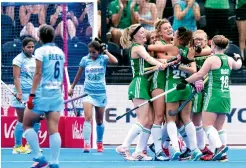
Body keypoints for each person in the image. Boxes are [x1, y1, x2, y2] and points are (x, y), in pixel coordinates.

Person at [177, 35, 242, 161]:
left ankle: (219, 147)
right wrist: (238, 57)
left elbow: (199, 74)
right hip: (225, 96)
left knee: (207, 126)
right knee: (219, 128)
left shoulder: (212, 59)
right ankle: (222, 155)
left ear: (212, 45)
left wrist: (184, 82)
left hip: (213, 95)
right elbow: (238, 65)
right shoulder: (229, 60)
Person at [146, 27, 202, 161]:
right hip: (186, 86)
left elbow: (150, 48)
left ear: (180, 38)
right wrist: (180, 65)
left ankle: (176, 148)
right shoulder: (190, 52)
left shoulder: (172, 48)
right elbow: (194, 71)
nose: (173, 37)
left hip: (173, 86)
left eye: (175, 35)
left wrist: (173, 62)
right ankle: (195, 149)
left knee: (171, 119)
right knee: (187, 119)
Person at [116, 24, 167, 161]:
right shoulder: (138, 48)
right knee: (143, 119)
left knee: (149, 121)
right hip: (139, 84)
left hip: (144, 84)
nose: (145, 35)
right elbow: (150, 60)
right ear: (134, 36)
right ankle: (124, 146)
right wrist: (159, 64)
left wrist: (167, 61)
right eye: (142, 33)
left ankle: (139, 151)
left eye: (145, 32)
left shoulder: (140, 48)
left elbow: (152, 62)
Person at [23, 25, 65, 168]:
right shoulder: (60, 51)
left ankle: (38, 156)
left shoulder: (40, 51)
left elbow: (38, 74)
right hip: (56, 94)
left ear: (39, 37)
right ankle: (55, 162)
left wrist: (31, 95)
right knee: (54, 129)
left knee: (27, 124)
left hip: (42, 93)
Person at [68, 40, 118, 153]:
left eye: (94, 52)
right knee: (88, 118)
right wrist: (72, 86)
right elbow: (79, 73)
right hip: (88, 93)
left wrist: (105, 51)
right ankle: (86, 143)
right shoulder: (85, 60)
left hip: (100, 93)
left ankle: (99, 143)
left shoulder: (103, 58)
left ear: (99, 51)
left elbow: (115, 61)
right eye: (90, 52)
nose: (91, 54)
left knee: (99, 120)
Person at [11, 37, 41, 154]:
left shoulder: (35, 59)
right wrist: (19, 93)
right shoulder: (17, 60)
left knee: (37, 120)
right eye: (28, 47)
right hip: (22, 93)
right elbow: (16, 77)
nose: (31, 49)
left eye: (32, 47)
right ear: (23, 47)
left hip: (34, 93)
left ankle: (30, 145)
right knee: (22, 120)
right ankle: (17, 146)